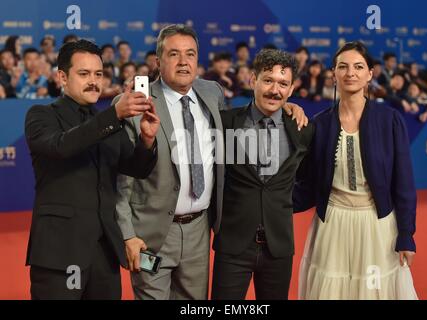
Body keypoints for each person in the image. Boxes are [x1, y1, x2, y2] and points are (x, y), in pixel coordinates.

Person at [114, 24, 308, 300]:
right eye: (174, 54)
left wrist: (288, 106)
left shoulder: (211, 93)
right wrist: (127, 236)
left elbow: (253, 116)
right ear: (158, 61)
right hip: (152, 237)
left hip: (199, 233)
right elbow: (122, 179)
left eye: (190, 54)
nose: (183, 62)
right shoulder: (136, 102)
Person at [24, 39, 160, 300]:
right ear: (62, 77)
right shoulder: (41, 115)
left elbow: (136, 168)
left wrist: (147, 140)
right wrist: (113, 116)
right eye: (84, 74)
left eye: (99, 74)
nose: (94, 81)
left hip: (104, 253)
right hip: (59, 253)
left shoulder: (108, 122)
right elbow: (61, 146)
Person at [294, 41, 418, 300]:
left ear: (369, 74)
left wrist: (406, 234)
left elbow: (403, 183)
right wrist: (269, 202)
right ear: (334, 74)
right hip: (331, 227)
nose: (350, 73)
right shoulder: (320, 125)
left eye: (358, 67)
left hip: (377, 225)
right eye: (343, 67)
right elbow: (307, 185)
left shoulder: (390, 120)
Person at [211, 49, 314, 300]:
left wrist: (281, 203)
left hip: (278, 247)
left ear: (291, 90)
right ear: (252, 80)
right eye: (268, 81)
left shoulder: (302, 129)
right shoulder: (225, 123)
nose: (274, 90)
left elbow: (310, 182)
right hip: (233, 245)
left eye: (283, 84)